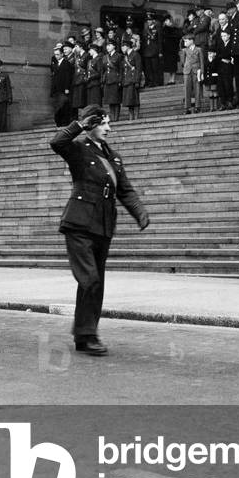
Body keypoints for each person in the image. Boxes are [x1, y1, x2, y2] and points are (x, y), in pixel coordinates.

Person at [50, 105, 149, 356]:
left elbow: (124, 189)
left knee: (95, 283)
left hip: (102, 225)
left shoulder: (113, 156)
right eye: (103, 123)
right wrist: (80, 124)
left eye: (108, 123)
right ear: (92, 124)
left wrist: (139, 212)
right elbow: (57, 142)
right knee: (90, 279)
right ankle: (86, 333)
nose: (109, 128)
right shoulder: (78, 149)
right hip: (79, 223)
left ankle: (86, 335)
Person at [50, 47, 74, 126]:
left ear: (62, 54)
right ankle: (59, 122)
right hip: (56, 90)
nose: (56, 56)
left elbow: (68, 77)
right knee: (58, 106)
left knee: (63, 106)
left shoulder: (66, 63)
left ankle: (64, 122)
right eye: (55, 55)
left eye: (58, 54)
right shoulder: (56, 64)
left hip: (63, 89)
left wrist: (67, 88)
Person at [120, 37, 142, 120]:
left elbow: (138, 68)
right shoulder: (125, 56)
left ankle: (136, 117)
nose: (122, 49)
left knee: (135, 100)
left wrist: (137, 81)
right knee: (129, 100)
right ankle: (131, 117)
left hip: (133, 80)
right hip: (127, 81)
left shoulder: (135, 54)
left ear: (128, 46)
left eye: (123, 47)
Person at [180, 33, 202, 113]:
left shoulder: (198, 49)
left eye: (186, 41)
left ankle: (197, 106)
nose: (185, 43)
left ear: (192, 41)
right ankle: (187, 107)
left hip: (196, 71)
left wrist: (201, 71)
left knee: (197, 89)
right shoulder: (184, 50)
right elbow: (182, 62)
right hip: (187, 71)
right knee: (187, 89)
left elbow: (201, 62)